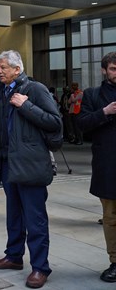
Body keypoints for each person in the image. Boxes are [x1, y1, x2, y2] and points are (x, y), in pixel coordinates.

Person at [0, 50, 60, 289]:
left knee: (34, 218)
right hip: (7, 163)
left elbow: (55, 122)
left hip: (30, 164)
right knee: (14, 214)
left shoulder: (34, 90)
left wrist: (26, 106)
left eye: (4, 67)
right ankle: (14, 256)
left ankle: (40, 267)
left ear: (18, 69)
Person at [77, 51, 116, 283]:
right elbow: (81, 124)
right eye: (113, 69)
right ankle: (114, 261)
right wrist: (105, 112)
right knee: (111, 217)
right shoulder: (93, 95)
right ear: (104, 70)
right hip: (108, 165)